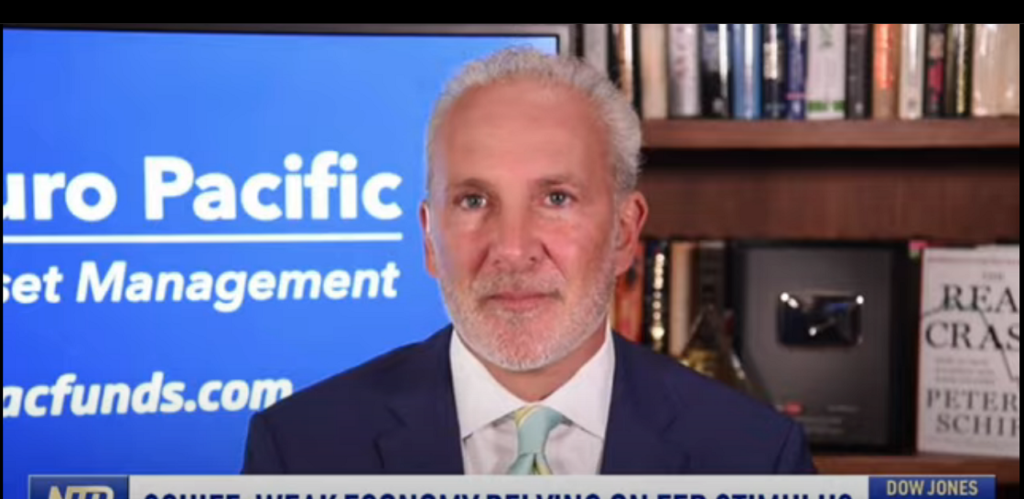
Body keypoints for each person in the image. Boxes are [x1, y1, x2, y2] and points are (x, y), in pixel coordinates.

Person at [242, 47, 816, 475]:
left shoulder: (756, 460)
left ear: (624, 233)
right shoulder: (299, 452)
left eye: (556, 199)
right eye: (473, 201)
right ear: (429, 238)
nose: (513, 250)